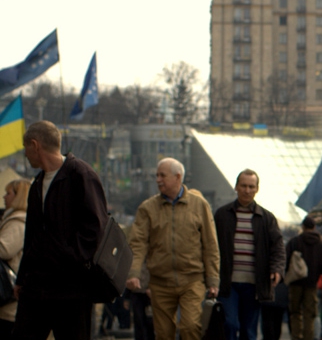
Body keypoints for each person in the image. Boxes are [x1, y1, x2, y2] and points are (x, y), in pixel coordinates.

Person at [12, 120, 109, 340]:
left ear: (35, 145)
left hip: (71, 290)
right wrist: (22, 278)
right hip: (36, 287)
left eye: (26, 148)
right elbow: (32, 236)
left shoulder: (80, 175)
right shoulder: (37, 184)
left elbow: (95, 230)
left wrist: (67, 258)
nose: (25, 155)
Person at [126, 158, 220, 340]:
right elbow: (137, 243)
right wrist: (133, 273)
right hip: (160, 282)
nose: (158, 180)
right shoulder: (148, 208)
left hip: (191, 280)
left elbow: (210, 244)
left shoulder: (199, 205)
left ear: (178, 177)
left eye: (163, 175)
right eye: (157, 175)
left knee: (191, 326)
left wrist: (213, 280)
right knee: (163, 333)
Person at [214, 169, 285, 340]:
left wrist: (276, 269)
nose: (247, 190)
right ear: (236, 187)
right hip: (227, 282)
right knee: (230, 324)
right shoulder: (222, 215)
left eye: (251, 186)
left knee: (249, 329)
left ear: (257, 189)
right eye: (244, 186)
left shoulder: (266, 218)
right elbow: (211, 245)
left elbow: (278, 247)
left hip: (254, 284)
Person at [284, 216, 322, 340]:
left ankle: (296, 337)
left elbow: (285, 261)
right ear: (314, 227)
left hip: (295, 283)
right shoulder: (320, 244)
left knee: (295, 312)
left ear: (303, 227)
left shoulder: (294, 242)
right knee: (309, 315)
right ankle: (308, 337)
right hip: (311, 284)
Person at [0, 179, 30, 337]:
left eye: (8, 193)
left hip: (9, 301)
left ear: (19, 196)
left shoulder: (18, 222)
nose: (5, 197)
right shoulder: (13, 219)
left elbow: (4, 249)